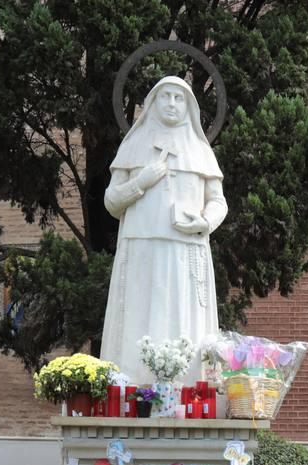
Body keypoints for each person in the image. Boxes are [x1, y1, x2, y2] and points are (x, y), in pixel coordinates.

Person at [101, 76, 227, 386]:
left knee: (184, 321)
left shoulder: (201, 151)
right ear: (153, 103)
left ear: (189, 106)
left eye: (178, 98)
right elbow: (112, 201)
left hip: (186, 250)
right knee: (138, 317)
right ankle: (130, 385)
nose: (172, 103)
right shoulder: (132, 146)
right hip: (141, 248)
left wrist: (205, 222)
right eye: (165, 96)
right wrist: (141, 182)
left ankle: (188, 389)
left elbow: (218, 201)